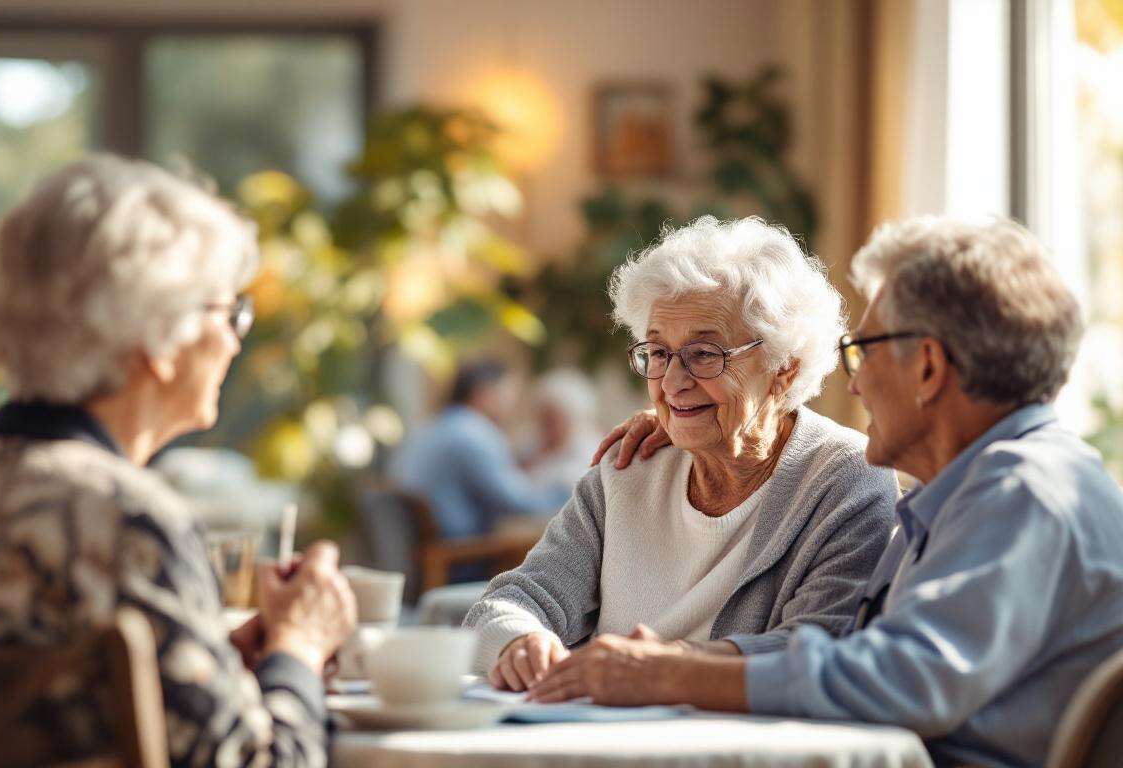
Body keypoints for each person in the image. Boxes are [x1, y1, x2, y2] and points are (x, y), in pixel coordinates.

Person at [533, 215, 1123, 768]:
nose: (856, 382)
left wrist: (667, 674)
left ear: (927, 368)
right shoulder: (973, 492)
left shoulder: (1021, 493)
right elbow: (852, 650)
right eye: (663, 355)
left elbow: (906, 679)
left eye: (862, 351)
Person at [0, 155, 356, 768]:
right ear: (158, 339)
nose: (235, 339)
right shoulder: (127, 520)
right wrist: (299, 644)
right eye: (228, 312)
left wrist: (209, 657)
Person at [464, 216, 898, 688]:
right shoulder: (630, 468)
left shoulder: (846, 476)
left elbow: (819, 646)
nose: (671, 383)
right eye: (657, 353)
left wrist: (658, 667)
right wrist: (519, 641)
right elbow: (509, 602)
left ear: (784, 369)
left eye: (705, 354)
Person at [392, 360, 568, 540]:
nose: (512, 403)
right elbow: (519, 502)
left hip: (424, 547)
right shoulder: (474, 433)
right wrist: (571, 493)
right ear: (483, 392)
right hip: (460, 555)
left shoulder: (434, 426)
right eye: (509, 392)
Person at [521, 368, 606, 496]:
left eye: (552, 418)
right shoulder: (530, 440)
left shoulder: (588, 447)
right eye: (542, 417)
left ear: (572, 417)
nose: (545, 424)